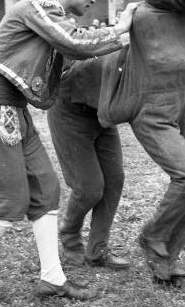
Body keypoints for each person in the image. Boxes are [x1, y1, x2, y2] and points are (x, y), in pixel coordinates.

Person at [0, 0, 137, 304]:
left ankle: (52, 277)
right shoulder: (40, 6)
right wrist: (122, 29)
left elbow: (62, 58)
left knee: (47, 191)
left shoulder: (48, 11)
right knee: (9, 203)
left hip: (12, 110)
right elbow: (75, 43)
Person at [48, 56, 130, 271]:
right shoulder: (109, 57)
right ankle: (70, 235)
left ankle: (97, 250)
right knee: (89, 188)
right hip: (70, 112)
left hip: (101, 111)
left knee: (114, 180)